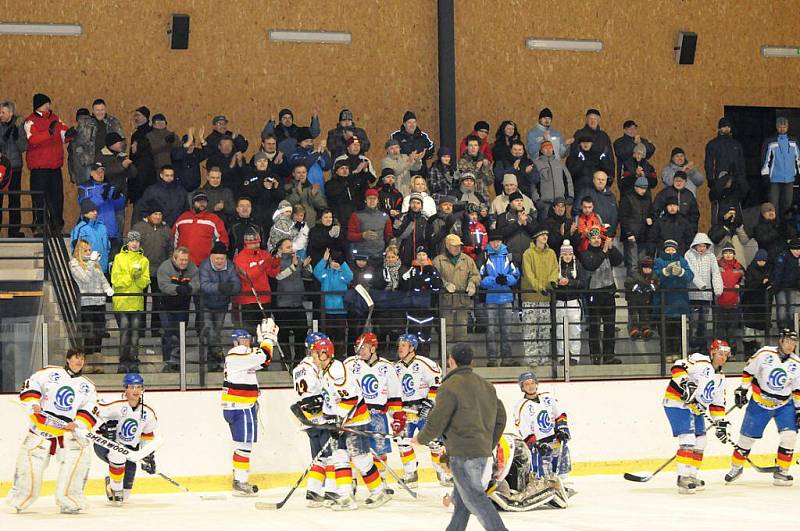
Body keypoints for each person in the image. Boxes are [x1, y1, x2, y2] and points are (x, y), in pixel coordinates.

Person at [413, 344, 508, 531]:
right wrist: (489, 442)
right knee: (463, 500)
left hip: (462, 454)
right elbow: (501, 417)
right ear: (471, 361)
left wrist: (421, 439)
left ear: (451, 360)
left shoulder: (449, 387)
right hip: (481, 452)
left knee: (474, 497)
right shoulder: (486, 386)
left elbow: (437, 419)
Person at [5, 348, 98, 514]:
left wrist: (77, 423)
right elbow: (31, 384)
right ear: (68, 359)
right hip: (42, 428)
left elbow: (90, 408)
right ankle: (20, 497)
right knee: (30, 463)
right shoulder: (49, 372)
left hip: (67, 433)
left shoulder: (88, 386)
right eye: (76, 358)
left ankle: (70, 499)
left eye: (82, 359)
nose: (79, 361)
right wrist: (33, 401)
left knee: (80, 459)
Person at [307, 336, 390, 509]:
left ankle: (379, 491)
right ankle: (345, 496)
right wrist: (326, 417)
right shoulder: (325, 370)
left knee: (360, 458)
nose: (312, 358)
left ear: (324, 354)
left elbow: (350, 400)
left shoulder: (336, 370)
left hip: (355, 420)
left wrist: (337, 421)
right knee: (339, 457)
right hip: (342, 421)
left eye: (314, 354)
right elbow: (332, 400)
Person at [726, 329, 800, 486]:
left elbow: (797, 390)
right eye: (788, 342)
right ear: (780, 341)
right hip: (760, 403)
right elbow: (748, 372)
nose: (790, 346)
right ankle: (736, 467)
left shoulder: (796, 363)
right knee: (746, 439)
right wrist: (743, 389)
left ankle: (782, 471)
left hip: (784, 406)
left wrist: (799, 410)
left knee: (790, 437)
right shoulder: (764, 353)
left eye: (793, 343)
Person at [663, 340, 730, 494]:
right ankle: (683, 478)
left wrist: (721, 424)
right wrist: (686, 383)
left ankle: (691, 476)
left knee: (701, 441)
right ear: (712, 353)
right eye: (720, 354)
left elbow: (717, 405)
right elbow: (678, 367)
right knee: (688, 439)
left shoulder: (720, 378)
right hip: (676, 403)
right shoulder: (700, 360)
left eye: (726, 355)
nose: (723, 357)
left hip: (695, 409)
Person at [221, 321, 277, 496]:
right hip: (241, 406)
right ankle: (240, 480)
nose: (247, 343)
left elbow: (265, 361)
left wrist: (267, 343)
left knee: (242, 445)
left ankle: (239, 478)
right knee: (244, 446)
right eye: (244, 340)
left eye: (248, 339)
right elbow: (262, 356)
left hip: (239, 406)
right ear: (235, 342)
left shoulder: (243, 358)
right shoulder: (237, 354)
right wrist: (267, 339)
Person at [343, 332, 403, 490]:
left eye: (365, 347)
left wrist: (397, 417)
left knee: (380, 451)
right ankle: (352, 480)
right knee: (353, 449)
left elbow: (395, 395)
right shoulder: (349, 364)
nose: (360, 350)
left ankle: (381, 480)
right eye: (358, 347)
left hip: (378, 416)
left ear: (374, 348)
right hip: (355, 415)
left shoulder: (387, 367)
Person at [94, 373, 158, 504]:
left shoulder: (148, 411)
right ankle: (116, 489)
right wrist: (106, 427)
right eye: (132, 387)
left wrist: (148, 455)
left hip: (129, 450)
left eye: (139, 387)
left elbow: (148, 434)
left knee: (126, 495)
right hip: (105, 445)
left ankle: (111, 484)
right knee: (118, 456)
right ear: (125, 388)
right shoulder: (114, 403)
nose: (136, 390)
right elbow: (93, 409)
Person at [393, 334, 447, 487]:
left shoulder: (425, 363)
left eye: (404, 345)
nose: (400, 348)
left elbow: (437, 384)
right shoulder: (396, 367)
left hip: (425, 410)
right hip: (405, 411)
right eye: (399, 345)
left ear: (412, 348)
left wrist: (428, 404)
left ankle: (442, 472)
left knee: (434, 442)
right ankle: (411, 474)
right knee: (402, 442)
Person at [514, 371, 572, 492]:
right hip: (539, 444)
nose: (530, 386)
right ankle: (541, 488)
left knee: (557, 467)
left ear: (536, 384)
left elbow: (560, 415)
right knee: (539, 472)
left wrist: (562, 429)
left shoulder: (548, 397)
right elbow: (523, 429)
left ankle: (556, 485)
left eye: (532, 383)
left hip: (554, 439)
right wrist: (535, 444)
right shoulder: (521, 406)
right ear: (522, 388)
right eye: (526, 384)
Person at [24, 93, 72, 232]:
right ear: (39, 105)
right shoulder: (30, 121)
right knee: (39, 198)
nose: (48, 106)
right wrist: (49, 133)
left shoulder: (55, 119)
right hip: (39, 168)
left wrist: (70, 135)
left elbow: (64, 133)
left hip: (54, 166)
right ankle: (39, 227)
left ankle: (57, 226)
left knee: (57, 198)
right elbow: (32, 139)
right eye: (46, 103)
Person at [290, 333, 328, 506]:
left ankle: (313, 491)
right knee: (332, 454)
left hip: (307, 419)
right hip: (319, 416)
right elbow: (322, 391)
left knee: (319, 456)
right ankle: (332, 491)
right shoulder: (315, 367)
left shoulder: (298, 368)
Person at [579, 227, 623, 365]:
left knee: (610, 325)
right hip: (594, 293)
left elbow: (619, 260)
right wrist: (604, 252)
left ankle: (609, 355)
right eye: (594, 238)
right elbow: (591, 265)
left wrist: (611, 248)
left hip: (608, 292)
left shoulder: (607, 251)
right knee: (594, 326)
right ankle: (595, 355)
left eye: (598, 238)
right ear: (589, 240)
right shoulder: (585, 254)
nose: (597, 240)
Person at [70, 239, 113, 371]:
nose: (88, 252)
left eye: (89, 250)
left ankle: (98, 364)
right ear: (79, 251)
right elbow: (85, 279)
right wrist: (91, 262)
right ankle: (87, 364)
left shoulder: (94, 264)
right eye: (86, 250)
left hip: (99, 302)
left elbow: (101, 278)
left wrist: (107, 288)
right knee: (89, 333)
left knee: (99, 332)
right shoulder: (74, 263)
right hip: (86, 303)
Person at [111, 231, 150, 374]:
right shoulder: (119, 258)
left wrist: (138, 279)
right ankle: (123, 361)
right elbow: (115, 280)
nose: (134, 244)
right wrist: (131, 277)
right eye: (132, 241)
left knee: (135, 333)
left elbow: (145, 282)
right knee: (124, 332)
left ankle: (133, 360)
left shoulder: (144, 260)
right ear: (127, 242)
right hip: (121, 301)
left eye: (137, 241)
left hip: (136, 301)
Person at [480, 230, 520, 367]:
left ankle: (507, 358)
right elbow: (480, 278)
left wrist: (506, 280)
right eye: (493, 241)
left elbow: (515, 276)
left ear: (502, 242)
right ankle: (492, 359)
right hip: (491, 298)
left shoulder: (508, 256)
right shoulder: (484, 256)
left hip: (506, 298)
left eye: (498, 241)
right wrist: (495, 280)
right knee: (491, 330)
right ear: (489, 242)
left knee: (507, 330)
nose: (496, 244)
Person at [200, 241, 241, 371]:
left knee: (216, 331)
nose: (219, 261)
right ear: (212, 257)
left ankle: (213, 361)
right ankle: (215, 357)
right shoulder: (204, 266)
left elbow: (237, 284)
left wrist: (230, 289)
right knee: (210, 331)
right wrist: (220, 287)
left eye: (222, 259)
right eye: (217, 258)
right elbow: (204, 285)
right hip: (205, 304)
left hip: (222, 304)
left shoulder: (230, 266)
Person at [131, 203, 172, 334]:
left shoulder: (166, 229)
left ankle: (156, 329)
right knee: (140, 300)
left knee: (158, 301)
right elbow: (131, 247)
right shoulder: (138, 228)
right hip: (141, 271)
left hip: (160, 271)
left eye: (160, 214)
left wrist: (168, 266)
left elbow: (171, 249)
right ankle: (140, 329)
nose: (158, 217)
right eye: (155, 214)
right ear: (149, 215)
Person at [157, 247, 199, 371]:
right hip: (166, 307)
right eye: (181, 260)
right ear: (174, 259)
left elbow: (198, 282)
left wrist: (190, 288)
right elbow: (163, 285)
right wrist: (177, 289)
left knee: (180, 335)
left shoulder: (192, 268)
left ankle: (178, 362)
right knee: (168, 334)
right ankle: (168, 362)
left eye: (186, 260)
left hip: (183, 308)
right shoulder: (165, 267)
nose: (183, 262)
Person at [521, 227, 559, 366]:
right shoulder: (528, 254)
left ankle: (544, 357)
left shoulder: (551, 253)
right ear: (536, 237)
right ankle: (531, 357)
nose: (545, 237)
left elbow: (555, 269)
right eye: (542, 235)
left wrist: (551, 283)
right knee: (530, 329)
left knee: (544, 329)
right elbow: (528, 274)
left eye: (546, 235)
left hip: (545, 297)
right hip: (531, 297)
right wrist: (539, 287)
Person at [433, 234, 480, 343]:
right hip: (445, 303)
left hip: (462, 302)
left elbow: (475, 275)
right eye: (454, 246)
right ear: (447, 246)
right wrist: (444, 284)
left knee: (462, 333)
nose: (457, 248)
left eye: (459, 246)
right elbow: (434, 277)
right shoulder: (439, 261)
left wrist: (472, 283)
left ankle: (460, 359)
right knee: (446, 333)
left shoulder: (467, 260)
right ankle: (446, 358)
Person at [654, 240, 695, 360]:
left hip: (680, 302)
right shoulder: (658, 261)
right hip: (664, 302)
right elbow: (655, 277)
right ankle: (666, 353)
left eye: (672, 249)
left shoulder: (682, 261)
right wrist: (664, 272)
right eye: (668, 249)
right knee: (665, 331)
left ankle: (678, 353)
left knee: (678, 331)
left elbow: (690, 276)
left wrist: (681, 272)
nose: (670, 251)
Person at [234, 229, 279, 334]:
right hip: (248, 300)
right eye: (253, 243)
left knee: (265, 331)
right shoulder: (241, 257)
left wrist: (276, 264)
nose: (256, 245)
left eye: (258, 242)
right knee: (250, 332)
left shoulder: (264, 254)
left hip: (264, 298)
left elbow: (272, 273)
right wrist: (262, 266)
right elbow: (247, 276)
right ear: (246, 244)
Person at [77, 161, 126, 256]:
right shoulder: (85, 187)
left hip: (111, 231)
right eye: (97, 172)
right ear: (91, 173)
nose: (100, 174)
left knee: (111, 264)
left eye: (102, 171)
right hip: (93, 231)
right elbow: (86, 205)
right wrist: (102, 196)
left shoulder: (109, 186)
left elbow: (119, 206)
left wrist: (118, 197)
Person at [685, 233, 723, 351]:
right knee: (694, 322)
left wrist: (718, 289)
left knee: (704, 322)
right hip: (693, 295)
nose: (702, 248)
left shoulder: (711, 256)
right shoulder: (688, 255)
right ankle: (693, 346)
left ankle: (702, 347)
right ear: (695, 245)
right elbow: (691, 272)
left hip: (706, 296)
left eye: (704, 246)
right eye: (699, 246)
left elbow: (716, 273)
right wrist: (701, 285)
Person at [73, 98, 126, 184]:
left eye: (102, 110)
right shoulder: (85, 124)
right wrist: (83, 159)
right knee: (89, 188)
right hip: (89, 163)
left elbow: (122, 141)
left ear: (105, 109)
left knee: (110, 188)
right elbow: (77, 144)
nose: (100, 112)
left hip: (109, 161)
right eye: (97, 110)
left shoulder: (113, 122)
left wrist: (119, 153)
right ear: (93, 111)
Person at [173, 190, 230, 266]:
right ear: (193, 203)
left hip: (205, 264)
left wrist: (216, 259)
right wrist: (175, 257)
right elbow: (173, 238)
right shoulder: (183, 217)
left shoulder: (214, 219)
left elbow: (223, 240)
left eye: (204, 202)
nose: (202, 204)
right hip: (183, 263)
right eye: (199, 202)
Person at [274, 238, 309, 362]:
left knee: (302, 332)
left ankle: (300, 359)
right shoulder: (276, 261)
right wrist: (294, 266)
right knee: (283, 335)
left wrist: (305, 266)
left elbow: (307, 276)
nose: (291, 249)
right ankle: (286, 361)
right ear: (280, 249)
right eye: (288, 247)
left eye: (291, 246)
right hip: (283, 305)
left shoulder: (297, 260)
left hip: (298, 303)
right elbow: (278, 276)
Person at [313, 249, 353, 354]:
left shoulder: (343, 275)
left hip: (341, 311)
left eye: (337, 261)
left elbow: (350, 276)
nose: (335, 263)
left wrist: (342, 263)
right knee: (327, 335)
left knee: (340, 335)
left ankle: (339, 357)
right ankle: (327, 355)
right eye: (333, 261)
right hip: (326, 310)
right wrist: (324, 260)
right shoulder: (325, 274)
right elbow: (316, 272)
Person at [761, 116, 800, 221]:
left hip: (790, 178)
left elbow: (798, 159)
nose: (782, 129)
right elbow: (765, 160)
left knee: (788, 204)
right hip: (774, 178)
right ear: (776, 127)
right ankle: (774, 227)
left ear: (787, 127)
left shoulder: (793, 141)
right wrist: (765, 175)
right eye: (780, 127)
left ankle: (787, 227)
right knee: (774, 204)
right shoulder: (770, 141)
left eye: (784, 126)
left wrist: (798, 174)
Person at [553, 240, 586, 364]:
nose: (567, 257)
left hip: (573, 302)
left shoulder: (578, 266)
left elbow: (583, 283)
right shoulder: (556, 267)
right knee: (560, 331)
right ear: (561, 255)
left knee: (575, 331)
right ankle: (562, 357)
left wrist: (570, 282)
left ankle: (575, 357)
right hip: (560, 302)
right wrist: (557, 283)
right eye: (565, 254)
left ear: (573, 255)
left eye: (569, 254)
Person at [0, 100, 28, 237]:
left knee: (14, 200)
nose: (1, 115)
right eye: (0, 112)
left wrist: (16, 136)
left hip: (15, 167)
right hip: (1, 167)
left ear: (10, 113)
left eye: (3, 112)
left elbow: (24, 147)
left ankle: (14, 231)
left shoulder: (19, 126)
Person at [619, 176, 654, 274]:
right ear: (635, 187)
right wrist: (629, 233)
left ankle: (640, 285)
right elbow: (623, 217)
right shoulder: (627, 198)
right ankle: (631, 286)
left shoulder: (647, 199)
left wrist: (651, 218)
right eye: (641, 188)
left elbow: (651, 213)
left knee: (642, 264)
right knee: (632, 264)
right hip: (631, 236)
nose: (643, 190)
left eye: (645, 188)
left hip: (643, 235)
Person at [741, 250, 772, 358]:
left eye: (764, 260)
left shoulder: (768, 269)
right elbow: (749, 285)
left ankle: (759, 353)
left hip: (761, 304)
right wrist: (762, 283)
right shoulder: (751, 269)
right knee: (749, 330)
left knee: (759, 330)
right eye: (760, 260)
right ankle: (749, 353)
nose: (762, 263)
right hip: (751, 303)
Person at [717, 245, 744, 356]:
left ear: (734, 254)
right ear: (722, 254)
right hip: (720, 303)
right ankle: (720, 353)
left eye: (730, 253)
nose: (728, 255)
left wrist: (740, 286)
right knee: (721, 330)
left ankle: (731, 351)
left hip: (734, 303)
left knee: (732, 330)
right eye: (726, 253)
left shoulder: (739, 267)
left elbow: (744, 281)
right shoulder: (717, 266)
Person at [533, 141, 573, 218]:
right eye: (545, 148)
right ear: (541, 150)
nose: (548, 150)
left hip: (560, 203)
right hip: (545, 203)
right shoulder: (536, 164)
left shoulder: (559, 163)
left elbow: (568, 180)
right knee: (545, 227)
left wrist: (570, 195)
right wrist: (537, 199)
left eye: (550, 147)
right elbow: (533, 183)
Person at [71, 198, 112, 273]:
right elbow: (75, 250)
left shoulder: (102, 226)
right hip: (88, 269)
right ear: (85, 213)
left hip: (103, 267)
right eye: (92, 211)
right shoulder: (79, 229)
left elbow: (107, 245)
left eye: (96, 210)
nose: (95, 213)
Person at [624, 256, 658, 340]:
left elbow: (657, 283)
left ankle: (645, 328)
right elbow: (627, 283)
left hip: (645, 299)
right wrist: (635, 287)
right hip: (633, 299)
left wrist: (652, 287)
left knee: (644, 315)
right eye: (645, 268)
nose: (647, 270)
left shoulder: (653, 276)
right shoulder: (635, 275)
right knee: (634, 315)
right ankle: (633, 330)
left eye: (649, 268)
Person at [704, 117, 745, 183]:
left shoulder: (737, 144)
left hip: (736, 179)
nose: (727, 128)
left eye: (728, 126)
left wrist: (742, 178)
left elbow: (741, 162)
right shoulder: (713, 144)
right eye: (724, 126)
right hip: (720, 178)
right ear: (719, 128)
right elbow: (709, 163)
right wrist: (710, 179)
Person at [771, 238, 800, 331]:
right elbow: (778, 273)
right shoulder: (783, 257)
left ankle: (790, 328)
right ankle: (783, 328)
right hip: (781, 287)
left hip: (793, 287)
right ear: (791, 249)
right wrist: (776, 286)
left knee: (791, 308)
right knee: (782, 308)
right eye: (796, 249)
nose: (798, 252)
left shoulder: (796, 259)